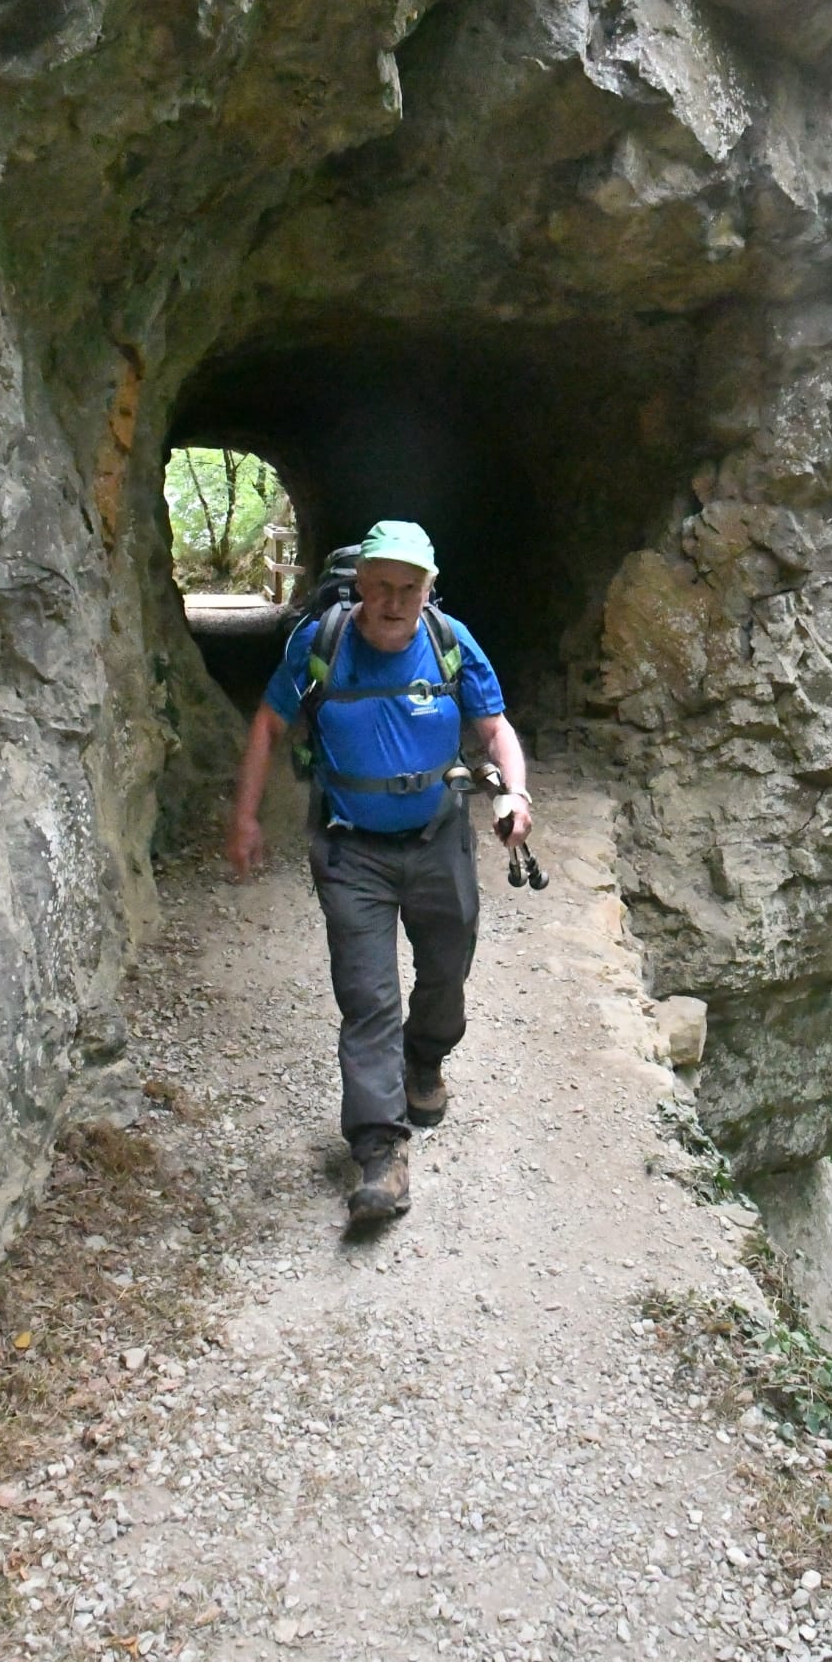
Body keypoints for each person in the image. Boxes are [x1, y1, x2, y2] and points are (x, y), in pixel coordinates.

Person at [225, 520, 532, 1225]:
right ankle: (378, 1154)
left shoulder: (451, 641)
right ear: (360, 584)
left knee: (445, 971)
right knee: (368, 999)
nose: (393, 602)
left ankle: (425, 1059)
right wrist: (244, 818)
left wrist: (515, 793)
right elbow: (269, 724)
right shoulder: (321, 643)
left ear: (428, 590)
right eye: (381, 586)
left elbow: (494, 727)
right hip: (349, 848)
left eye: (409, 588)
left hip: (438, 839)